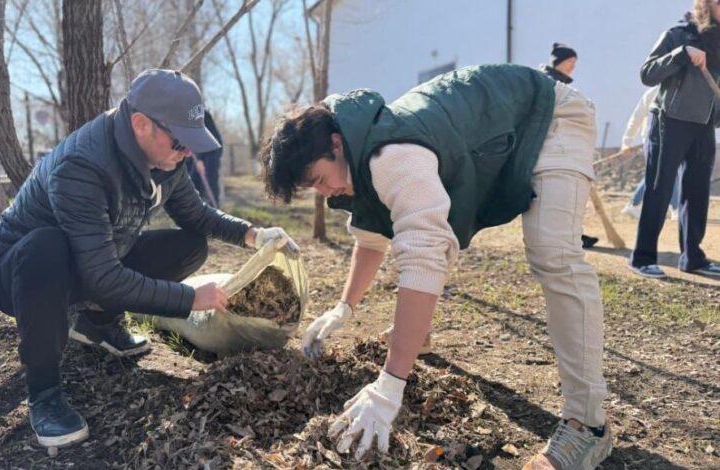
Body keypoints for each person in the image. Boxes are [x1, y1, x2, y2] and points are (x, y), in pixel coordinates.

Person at [261, 64, 611, 469]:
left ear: (336, 143)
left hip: (549, 117)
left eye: (320, 180)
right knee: (420, 239)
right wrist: (344, 308)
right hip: (504, 129)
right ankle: (418, 335)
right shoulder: (359, 155)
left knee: (553, 253)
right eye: (315, 188)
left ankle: (588, 424)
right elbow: (371, 240)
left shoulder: (392, 155)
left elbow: (424, 256)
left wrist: (390, 385)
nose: (326, 192)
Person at [0, 69, 298, 451]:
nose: (187, 152)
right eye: (180, 141)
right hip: (21, 273)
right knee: (46, 246)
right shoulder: (82, 166)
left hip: (88, 261)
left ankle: (98, 323)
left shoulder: (166, 159)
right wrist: (190, 299)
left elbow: (196, 215)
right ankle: (44, 393)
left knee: (190, 246)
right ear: (141, 124)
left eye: (191, 142)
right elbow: (103, 276)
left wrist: (254, 235)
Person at [629, 0, 720, 279]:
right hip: (669, 121)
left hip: (704, 125)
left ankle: (693, 258)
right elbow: (647, 74)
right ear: (705, 5)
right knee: (659, 190)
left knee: (697, 194)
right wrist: (681, 54)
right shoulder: (678, 34)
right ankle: (643, 257)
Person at [540, 42, 600, 250]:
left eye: (575, 62)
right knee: (559, 197)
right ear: (559, 61)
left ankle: (573, 235)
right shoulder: (549, 83)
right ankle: (568, 237)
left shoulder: (558, 83)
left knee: (565, 197)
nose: (573, 66)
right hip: (552, 149)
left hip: (562, 148)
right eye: (570, 61)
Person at [619, 87, 680, 221]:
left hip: (672, 139)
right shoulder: (653, 92)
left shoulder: (682, 89)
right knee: (663, 171)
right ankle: (674, 208)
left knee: (665, 171)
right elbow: (637, 116)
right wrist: (626, 141)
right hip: (653, 138)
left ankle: (635, 204)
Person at [185, 110, 223, 206]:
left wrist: (200, 160)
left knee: (210, 181)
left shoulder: (200, 113)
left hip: (211, 151)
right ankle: (199, 208)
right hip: (197, 152)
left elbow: (202, 137)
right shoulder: (183, 115)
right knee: (193, 181)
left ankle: (214, 207)